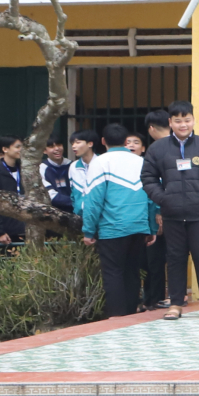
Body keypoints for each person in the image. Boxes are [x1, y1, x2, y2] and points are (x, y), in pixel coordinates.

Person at [142, 101, 199, 320]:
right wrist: (163, 199)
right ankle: (176, 304)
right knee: (175, 257)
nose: (183, 125)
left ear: (193, 121)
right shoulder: (158, 148)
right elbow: (148, 178)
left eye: (187, 120)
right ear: (170, 122)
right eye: (178, 121)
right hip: (172, 213)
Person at [80, 124, 155, 319]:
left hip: (112, 228)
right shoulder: (141, 162)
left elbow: (93, 201)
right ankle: (130, 315)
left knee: (113, 272)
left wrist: (88, 231)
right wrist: (152, 228)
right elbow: (152, 198)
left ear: (103, 141)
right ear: (125, 142)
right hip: (139, 227)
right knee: (132, 272)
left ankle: (116, 316)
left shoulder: (100, 162)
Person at [135, 115, 170, 310]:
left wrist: (159, 209)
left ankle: (157, 298)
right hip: (154, 214)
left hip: (161, 213)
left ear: (151, 129)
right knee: (151, 260)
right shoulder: (178, 146)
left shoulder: (159, 150)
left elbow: (159, 182)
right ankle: (151, 299)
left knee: (158, 259)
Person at [66, 130, 100, 220]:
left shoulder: (103, 162)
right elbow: (73, 193)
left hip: (101, 217)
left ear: (90, 144)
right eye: (72, 143)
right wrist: (77, 209)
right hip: (80, 216)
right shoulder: (73, 166)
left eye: (78, 142)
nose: (74, 146)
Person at [42, 139, 73, 213]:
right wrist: (75, 202)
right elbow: (50, 195)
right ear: (44, 151)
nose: (57, 148)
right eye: (51, 146)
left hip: (76, 210)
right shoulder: (42, 168)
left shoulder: (72, 165)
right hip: (53, 213)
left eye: (59, 145)